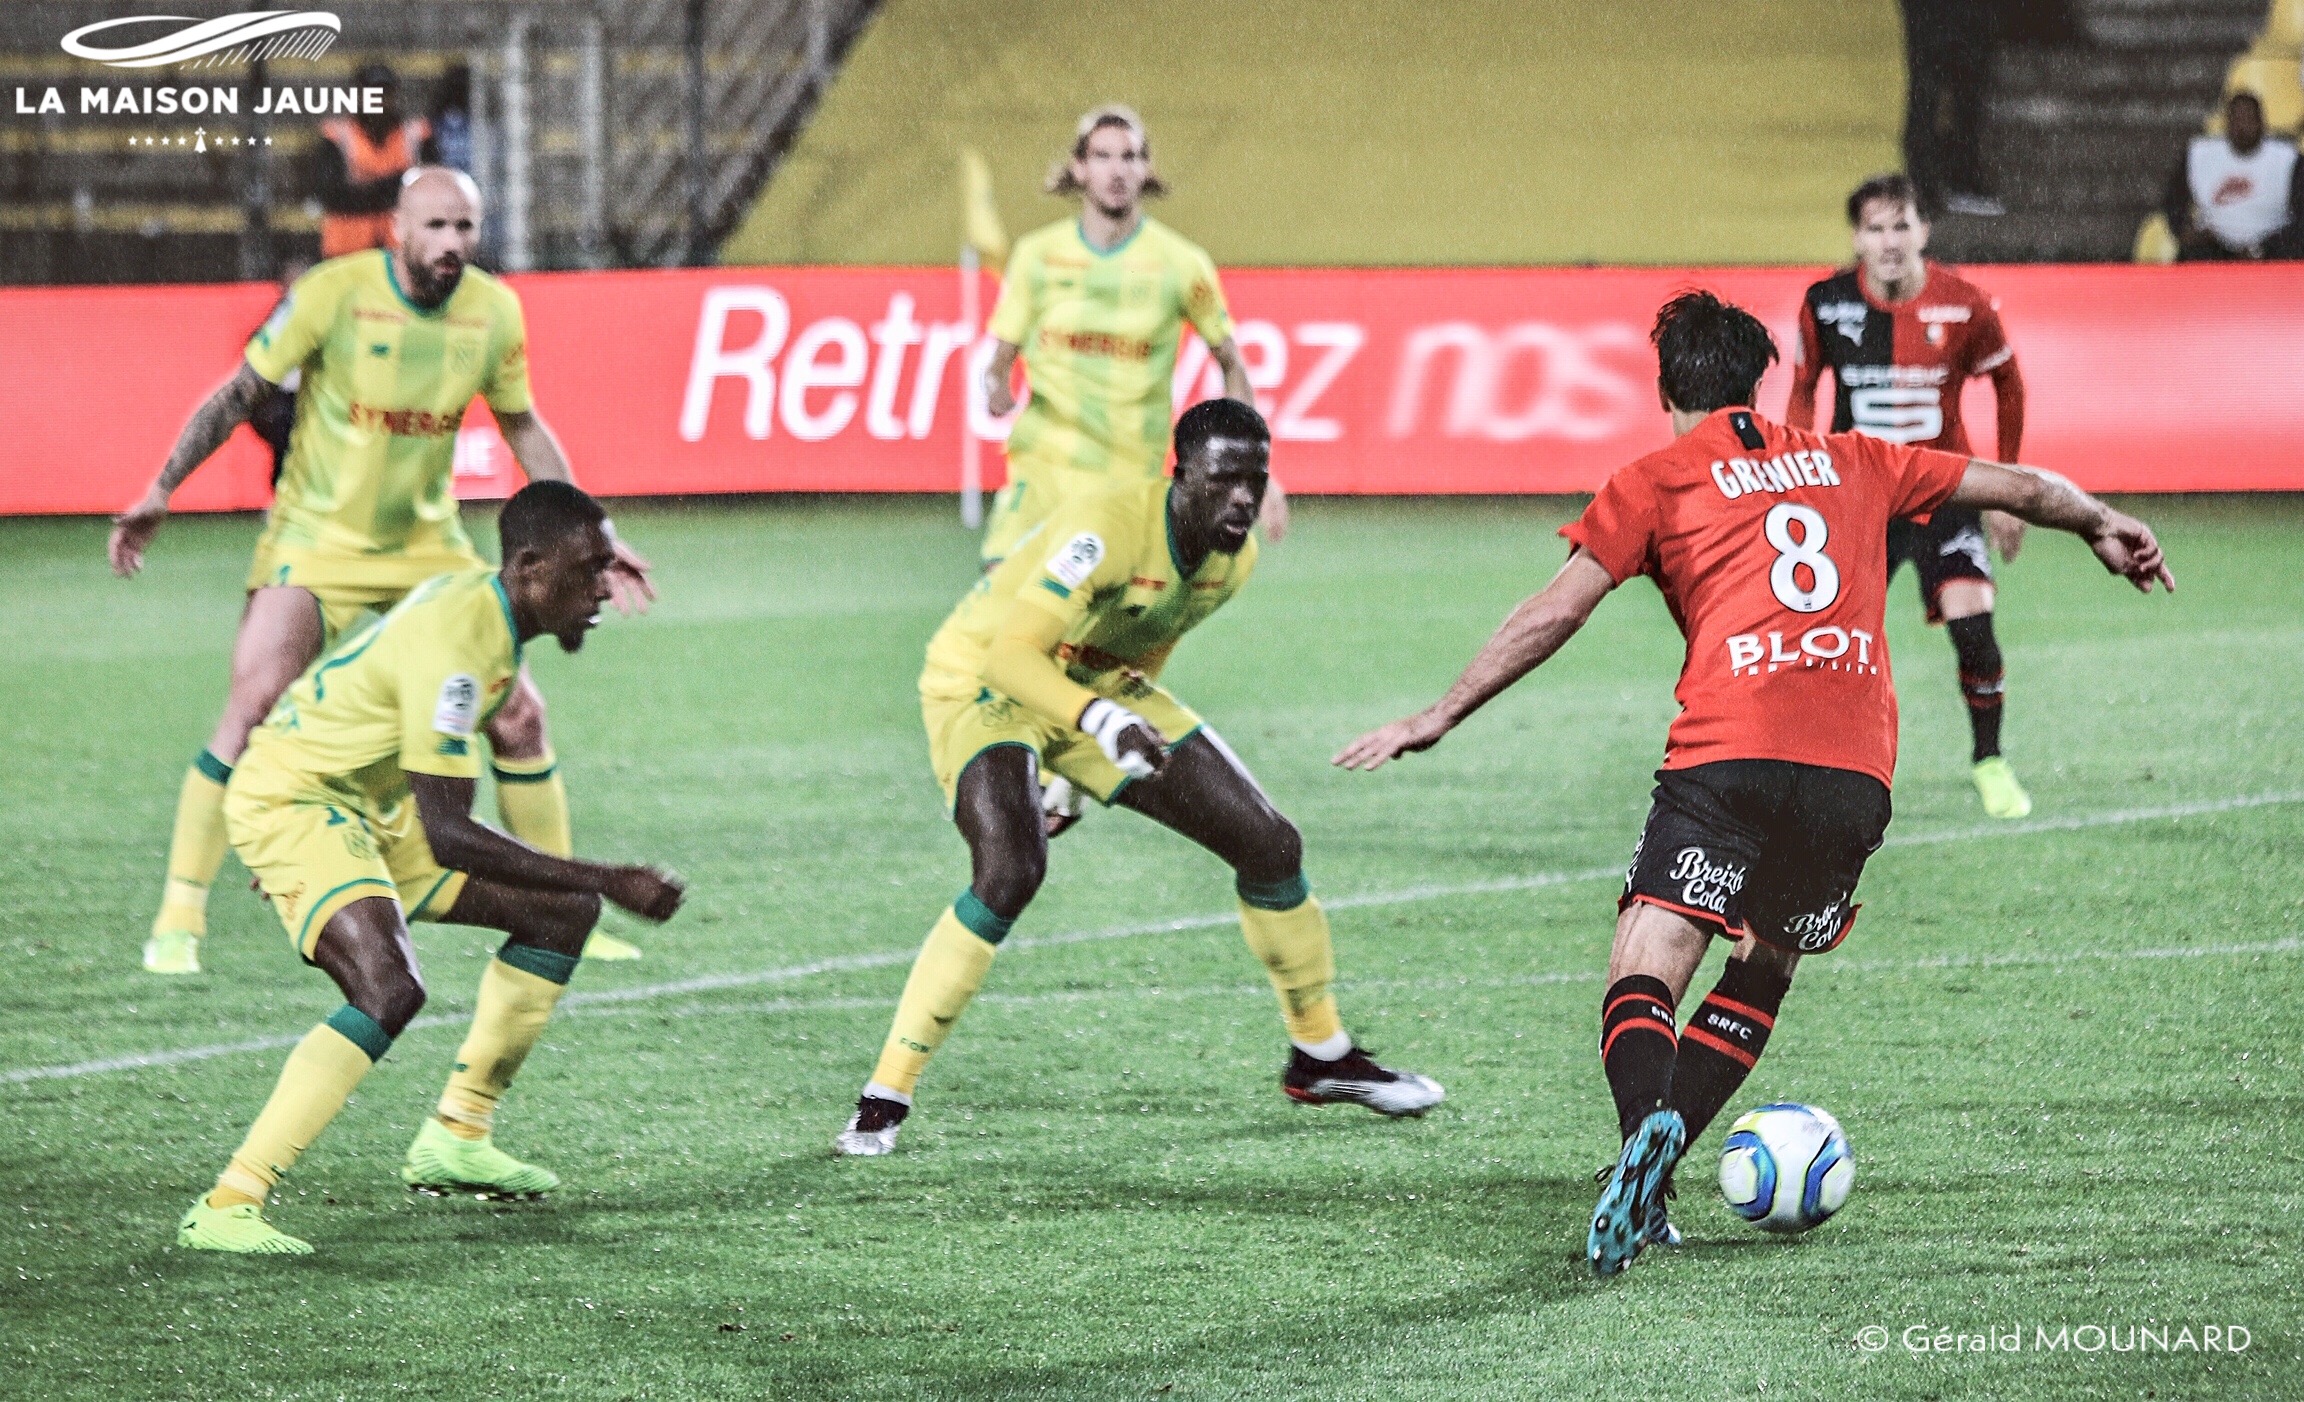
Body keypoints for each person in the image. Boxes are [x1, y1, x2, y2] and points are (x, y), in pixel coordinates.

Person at [1337, 292, 2170, 1277]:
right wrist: (2103, 523)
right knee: (1764, 966)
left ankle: (1643, 1143)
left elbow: (1554, 611)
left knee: (1648, 959)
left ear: (1664, 389)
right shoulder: (1864, 459)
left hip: (1731, 752)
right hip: (1855, 772)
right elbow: (2021, 486)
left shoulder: (1652, 479)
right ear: (1761, 380)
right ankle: (1658, 1159)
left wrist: (1442, 710)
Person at [834, 399, 1441, 1157]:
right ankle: (884, 1096)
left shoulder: (1232, 559)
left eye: (1256, 480)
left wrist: (1082, 768)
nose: (1244, 499)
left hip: (1095, 684)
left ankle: (1320, 1055)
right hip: (986, 683)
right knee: (1012, 869)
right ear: (1181, 475)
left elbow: (1146, 639)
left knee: (1271, 845)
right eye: (1225, 481)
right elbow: (1012, 658)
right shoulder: (1106, 530)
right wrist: (1094, 723)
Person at [111, 167, 653, 975]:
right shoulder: (333, 293)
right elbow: (238, 394)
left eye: (465, 228)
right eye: (436, 227)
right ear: (397, 227)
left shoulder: (493, 311)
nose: (452, 245)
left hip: (424, 547)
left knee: (520, 717)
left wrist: (591, 534)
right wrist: (161, 488)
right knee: (255, 699)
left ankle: (564, 905)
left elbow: (521, 424)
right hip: (316, 536)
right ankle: (180, 913)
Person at [176, 481, 686, 1255]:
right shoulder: (461, 644)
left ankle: (457, 1137)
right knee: (389, 986)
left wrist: (582, 888)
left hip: (362, 804)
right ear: (529, 566)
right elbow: (449, 833)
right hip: (299, 797)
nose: (602, 592)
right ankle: (228, 1201)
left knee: (557, 914)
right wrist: (609, 877)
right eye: (589, 571)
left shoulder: (489, 618)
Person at [1787, 173, 2033, 818]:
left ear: (1925, 230)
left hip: (1944, 493)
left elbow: (2009, 385)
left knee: (1972, 622)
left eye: (1902, 226)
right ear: (1857, 238)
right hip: (1856, 499)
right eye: (1875, 228)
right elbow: (1803, 390)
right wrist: (1795, 477)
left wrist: (2006, 491)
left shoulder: (1966, 304)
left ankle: (1990, 762)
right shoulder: (1825, 303)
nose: (1890, 241)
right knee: (1825, 638)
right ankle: (1815, 766)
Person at [980, 105, 1284, 574]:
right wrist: (996, 386)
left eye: (1130, 156)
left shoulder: (1182, 264)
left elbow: (1232, 364)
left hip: (1128, 484)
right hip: (1043, 472)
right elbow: (999, 360)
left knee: (1089, 630)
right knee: (997, 600)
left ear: (1146, 169)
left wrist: (1249, 466)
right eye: (1102, 156)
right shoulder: (1037, 256)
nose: (1117, 170)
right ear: (1079, 168)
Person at [2161, 92, 2303, 261]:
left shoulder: (2287, 159)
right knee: (2191, 254)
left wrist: (2260, 249)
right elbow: (2173, 199)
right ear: (2226, 122)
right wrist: (2183, 229)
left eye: (2248, 119)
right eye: (2236, 119)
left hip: (2270, 248)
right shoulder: (2200, 154)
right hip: (2214, 247)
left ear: (2261, 122)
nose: (2242, 126)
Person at [313, 63, 434, 259]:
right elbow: (331, 194)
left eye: (384, 93)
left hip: (401, 248)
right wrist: (396, 184)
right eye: (371, 92)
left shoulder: (417, 133)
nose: (378, 99)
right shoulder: (336, 134)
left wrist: (365, 189)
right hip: (348, 249)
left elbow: (431, 190)